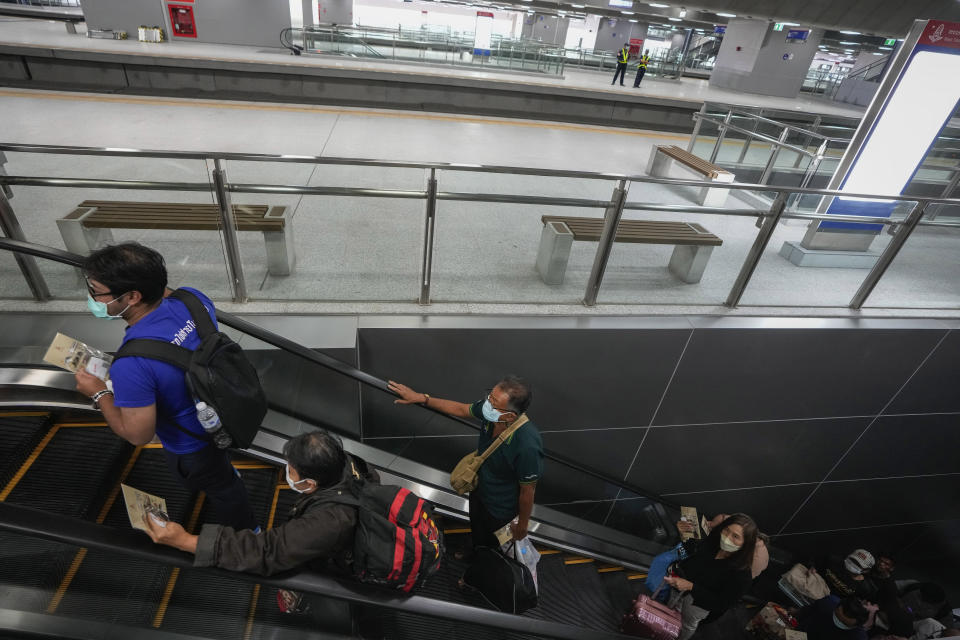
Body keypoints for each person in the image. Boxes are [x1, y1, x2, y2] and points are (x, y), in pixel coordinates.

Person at [74, 242, 257, 531]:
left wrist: (99, 392)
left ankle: (247, 530)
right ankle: (227, 474)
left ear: (133, 296)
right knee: (220, 470)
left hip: (192, 445)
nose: (92, 298)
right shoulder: (194, 299)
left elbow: (138, 435)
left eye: (97, 293)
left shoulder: (132, 365)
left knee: (221, 489)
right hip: (225, 410)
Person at [145, 429, 378, 575]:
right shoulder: (348, 463)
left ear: (310, 484)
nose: (287, 472)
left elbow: (269, 551)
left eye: (292, 470)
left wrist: (185, 541)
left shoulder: (328, 522)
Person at [387, 376, 542, 552]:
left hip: (500, 509)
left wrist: (522, 526)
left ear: (510, 415)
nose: (487, 404)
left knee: (490, 544)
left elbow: (527, 491)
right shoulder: (491, 411)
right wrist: (423, 398)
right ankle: (475, 548)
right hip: (479, 489)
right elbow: (461, 409)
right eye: (489, 396)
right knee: (476, 527)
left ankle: (478, 570)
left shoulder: (527, 445)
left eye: (494, 402)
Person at [661, 513, 759, 640]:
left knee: (687, 624)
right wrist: (685, 536)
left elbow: (721, 603)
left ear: (746, 544)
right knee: (670, 608)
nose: (727, 538)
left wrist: (691, 587)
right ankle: (661, 630)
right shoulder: (713, 541)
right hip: (680, 585)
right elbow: (693, 554)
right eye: (726, 530)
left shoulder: (742, 575)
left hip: (699, 604)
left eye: (735, 536)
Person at [798, 595, 870, 640]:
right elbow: (805, 612)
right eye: (837, 616)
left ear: (857, 625)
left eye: (844, 623)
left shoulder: (858, 638)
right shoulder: (828, 603)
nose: (838, 622)